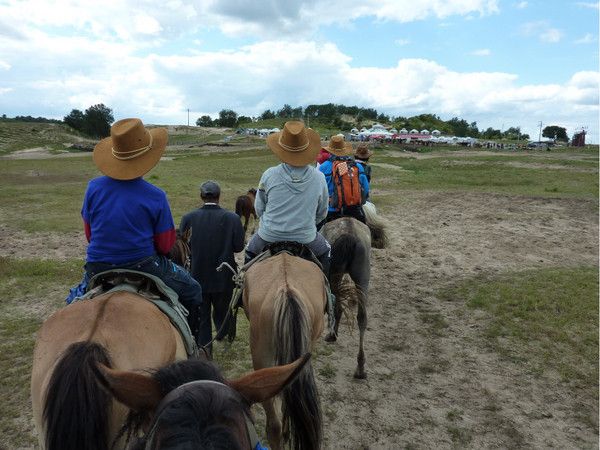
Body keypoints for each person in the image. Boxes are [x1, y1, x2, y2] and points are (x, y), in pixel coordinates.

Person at [77, 118, 203, 339]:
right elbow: (165, 246)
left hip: (97, 266)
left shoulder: (93, 188)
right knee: (193, 290)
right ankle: (193, 346)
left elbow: (89, 234)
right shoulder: (155, 195)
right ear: (147, 158)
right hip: (144, 265)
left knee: (73, 302)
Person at [245, 120, 331, 275]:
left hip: (269, 234)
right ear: (307, 149)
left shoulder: (269, 174)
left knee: (250, 251)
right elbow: (322, 213)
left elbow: (259, 208)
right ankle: (329, 292)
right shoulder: (319, 177)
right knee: (326, 251)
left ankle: (241, 290)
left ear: (281, 150)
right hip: (306, 237)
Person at [180, 180, 245, 355]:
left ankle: (205, 345)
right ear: (219, 196)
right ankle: (224, 333)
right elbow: (239, 247)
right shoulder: (232, 218)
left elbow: (183, 248)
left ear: (201, 196)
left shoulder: (188, 218)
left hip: (197, 273)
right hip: (223, 273)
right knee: (223, 308)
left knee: (202, 313)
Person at [318, 135, 370, 224]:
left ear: (330, 150)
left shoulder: (323, 167)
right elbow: (366, 189)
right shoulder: (358, 167)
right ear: (344, 149)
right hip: (354, 209)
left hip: (330, 210)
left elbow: (319, 192)